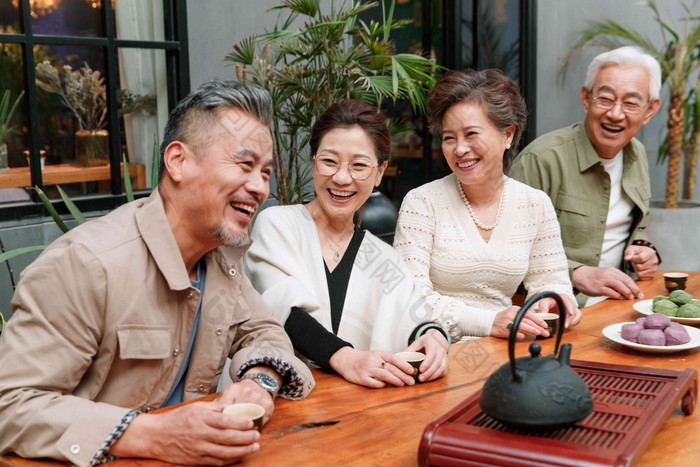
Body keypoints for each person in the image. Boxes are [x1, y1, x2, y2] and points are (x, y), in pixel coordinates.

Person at [0, 81, 314, 466]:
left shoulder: (218, 257)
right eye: (245, 165)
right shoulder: (86, 263)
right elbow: (10, 404)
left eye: (265, 172)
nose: (260, 187)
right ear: (178, 161)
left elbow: (264, 331)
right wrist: (152, 434)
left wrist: (259, 381)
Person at [245, 99, 449, 389]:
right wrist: (347, 358)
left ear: (380, 172)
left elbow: (417, 315)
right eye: (329, 161)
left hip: (353, 408)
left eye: (359, 165)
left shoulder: (382, 257)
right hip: (276, 395)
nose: (342, 178)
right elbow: (282, 310)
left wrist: (435, 336)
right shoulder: (277, 225)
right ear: (313, 161)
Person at [394, 69, 581, 342]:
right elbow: (410, 295)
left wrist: (556, 299)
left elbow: (549, 279)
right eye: (449, 138)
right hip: (435, 349)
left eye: (471, 134)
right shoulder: (422, 203)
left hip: (507, 347)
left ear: (507, 135)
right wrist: (487, 321)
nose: (459, 149)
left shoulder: (535, 204)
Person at [509, 46, 662, 307]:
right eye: (605, 98)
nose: (615, 113)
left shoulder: (636, 153)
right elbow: (506, 253)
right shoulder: (541, 159)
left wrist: (644, 250)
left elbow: (637, 227)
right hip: (556, 313)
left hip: (618, 306)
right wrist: (577, 274)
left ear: (649, 110)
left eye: (630, 103)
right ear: (586, 99)